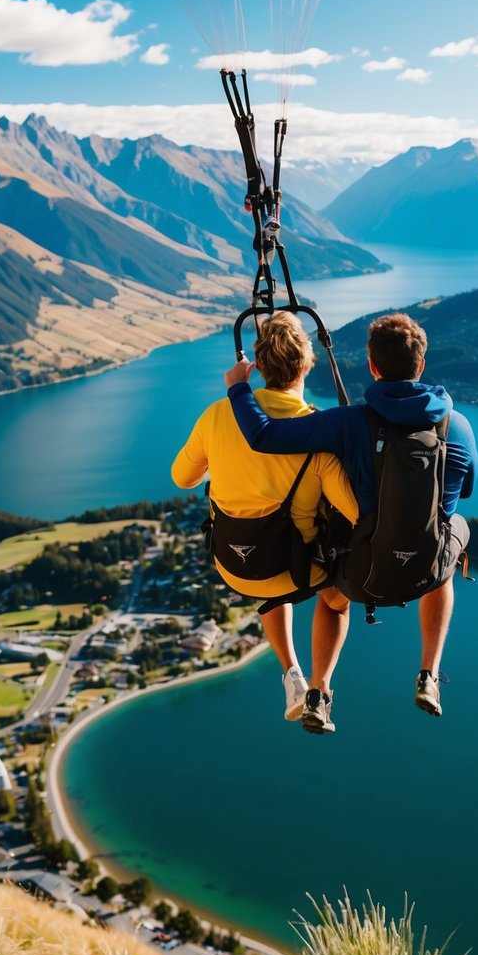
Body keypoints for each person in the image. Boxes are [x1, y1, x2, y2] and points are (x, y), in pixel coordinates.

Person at [225, 312, 478, 719]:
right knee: (454, 534)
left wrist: (239, 389)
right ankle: (429, 673)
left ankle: (320, 691)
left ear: (372, 365)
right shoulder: (459, 427)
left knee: (332, 601)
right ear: (422, 364)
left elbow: (263, 436)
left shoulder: (347, 423)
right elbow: (464, 489)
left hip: (363, 573)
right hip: (425, 571)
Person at [171, 312, 358, 734]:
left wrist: (226, 461)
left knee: (271, 576)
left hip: (236, 566)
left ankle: (290, 671)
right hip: (293, 570)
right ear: (307, 364)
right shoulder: (317, 432)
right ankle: (319, 688)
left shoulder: (218, 415)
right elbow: (354, 512)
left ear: (258, 364)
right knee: (335, 600)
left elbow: (182, 477)